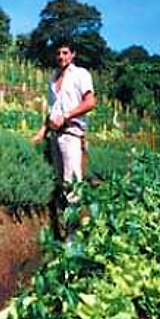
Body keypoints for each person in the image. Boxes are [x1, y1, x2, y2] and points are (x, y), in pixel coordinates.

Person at [32, 41, 96, 238]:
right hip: (55, 136)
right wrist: (42, 131)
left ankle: (73, 240)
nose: (61, 57)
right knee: (62, 184)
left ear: (73, 54)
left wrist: (67, 116)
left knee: (72, 187)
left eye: (65, 53)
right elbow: (52, 110)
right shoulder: (53, 78)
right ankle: (64, 231)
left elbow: (90, 102)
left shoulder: (81, 75)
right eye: (58, 53)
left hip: (71, 134)